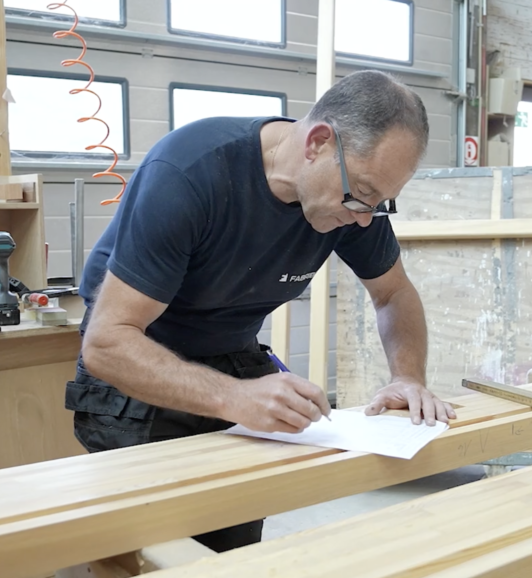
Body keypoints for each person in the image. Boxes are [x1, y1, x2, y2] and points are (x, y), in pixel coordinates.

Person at [65, 69, 456, 553]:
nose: (363, 217)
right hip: (139, 370)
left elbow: (394, 294)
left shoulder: (355, 200)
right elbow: (106, 344)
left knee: (231, 555)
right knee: (151, 563)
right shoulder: (191, 172)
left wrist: (409, 378)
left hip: (232, 359)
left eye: (380, 203)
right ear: (316, 142)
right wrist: (234, 398)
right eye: (362, 195)